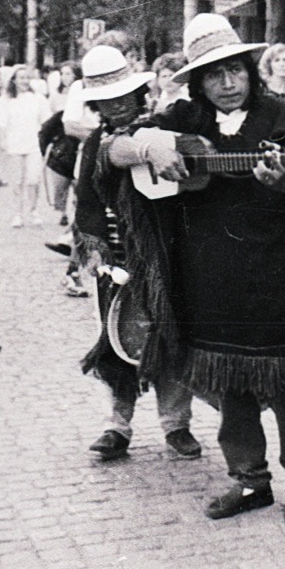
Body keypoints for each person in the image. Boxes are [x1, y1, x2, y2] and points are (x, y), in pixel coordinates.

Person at [106, 13, 285, 525]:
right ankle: (249, 479)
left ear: (250, 71)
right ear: (199, 82)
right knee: (229, 382)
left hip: (274, 275)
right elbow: (111, 149)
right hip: (208, 274)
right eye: (213, 75)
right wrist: (151, 147)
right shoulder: (182, 121)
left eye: (235, 71)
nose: (227, 84)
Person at [71, 45, 199, 463]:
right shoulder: (94, 144)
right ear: (96, 106)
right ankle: (118, 424)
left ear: (140, 94)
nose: (118, 106)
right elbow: (85, 201)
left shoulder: (161, 131)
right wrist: (91, 247)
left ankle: (176, 424)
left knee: (171, 337)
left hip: (164, 255)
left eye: (124, 97)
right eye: (107, 101)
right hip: (116, 260)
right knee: (115, 339)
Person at [0, 66, 51, 227]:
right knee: (16, 182)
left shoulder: (38, 98)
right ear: (14, 80)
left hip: (34, 145)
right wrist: (2, 142)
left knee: (33, 179)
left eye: (27, 78)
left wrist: (46, 142)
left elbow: (46, 122)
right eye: (21, 78)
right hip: (13, 146)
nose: (24, 81)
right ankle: (17, 213)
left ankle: (33, 211)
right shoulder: (6, 100)